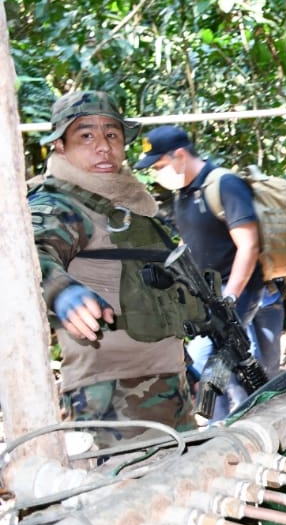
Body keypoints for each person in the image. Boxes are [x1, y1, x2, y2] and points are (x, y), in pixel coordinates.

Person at [28, 90, 198, 441]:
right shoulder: (60, 204)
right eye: (86, 135)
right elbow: (32, 252)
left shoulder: (131, 204)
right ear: (60, 145)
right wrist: (62, 291)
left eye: (112, 135)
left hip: (170, 383)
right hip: (111, 396)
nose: (103, 147)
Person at [134, 125, 283, 420]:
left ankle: (246, 428)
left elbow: (249, 246)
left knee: (215, 367)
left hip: (240, 292)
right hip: (209, 296)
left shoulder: (224, 185)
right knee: (225, 378)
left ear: (179, 155)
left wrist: (230, 298)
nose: (156, 174)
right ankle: (227, 431)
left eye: (159, 165)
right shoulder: (183, 194)